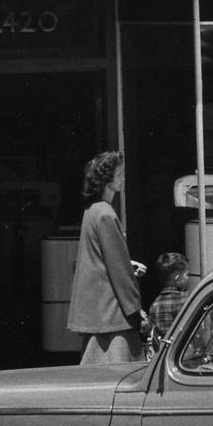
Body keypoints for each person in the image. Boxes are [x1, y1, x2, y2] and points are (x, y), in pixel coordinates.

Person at [68, 151, 146, 363]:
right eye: (119, 173)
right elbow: (119, 271)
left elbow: (98, 258)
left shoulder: (92, 211)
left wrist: (128, 264)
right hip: (113, 316)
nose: (123, 178)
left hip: (98, 313)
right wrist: (135, 309)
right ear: (107, 178)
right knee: (120, 373)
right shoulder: (105, 214)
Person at [145, 252, 192, 345]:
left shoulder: (155, 304)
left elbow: (151, 330)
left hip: (166, 350)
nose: (188, 278)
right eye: (187, 274)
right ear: (177, 279)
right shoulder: (187, 298)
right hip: (184, 349)